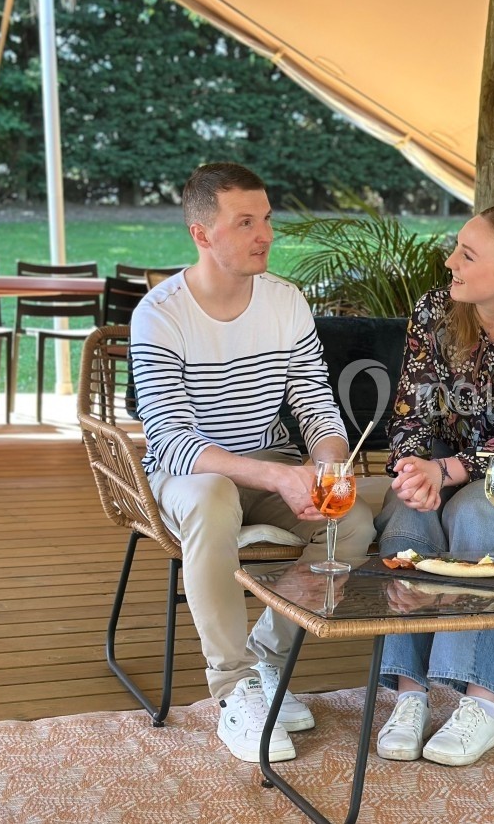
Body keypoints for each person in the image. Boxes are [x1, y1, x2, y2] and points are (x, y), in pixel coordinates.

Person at [130, 162, 376, 764]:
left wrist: (327, 465)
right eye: (245, 222)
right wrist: (275, 475)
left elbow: (316, 406)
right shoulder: (160, 313)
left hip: (270, 463)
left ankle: (267, 657)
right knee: (214, 497)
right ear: (202, 234)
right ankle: (234, 686)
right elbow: (173, 438)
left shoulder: (285, 302)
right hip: (186, 474)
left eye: (265, 218)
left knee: (355, 521)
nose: (264, 233)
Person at [372, 204, 494, 767]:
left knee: (478, 517)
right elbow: (409, 410)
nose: (449, 261)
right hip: (439, 466)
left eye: (467, 254)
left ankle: (480, 705)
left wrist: (449, 471)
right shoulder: (435, 311)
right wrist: (414, 471)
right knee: (409, 522)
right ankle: (411, 696)